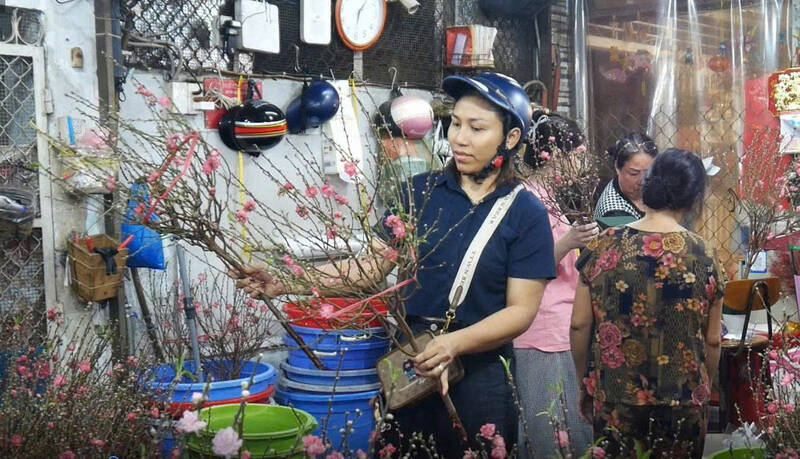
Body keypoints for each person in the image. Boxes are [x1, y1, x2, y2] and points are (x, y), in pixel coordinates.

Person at [232, 72, 555, 456]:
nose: (460, 138)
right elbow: (369, 265)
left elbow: (521, 310)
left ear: (511, 138)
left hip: (480, 372)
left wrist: (455, 342)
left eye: (477, 127)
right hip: (411, 357)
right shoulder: (418, 193)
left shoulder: (525, 213)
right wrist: (286, 281)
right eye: (455, 123)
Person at [571, 149, 724, 458]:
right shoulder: (704, 254)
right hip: (683, 401)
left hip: (615, 396)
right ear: (694, 196)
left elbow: (579, 325)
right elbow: (713, 339)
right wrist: (701, 388)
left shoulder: (603, 244)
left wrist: (585, 383)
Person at [513, 109, 595, 458]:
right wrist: (569, 242)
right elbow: (523, 269)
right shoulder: (528, 200)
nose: (584, 164)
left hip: (559, 328)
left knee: (564, 424)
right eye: (579, 156)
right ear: (555, 156)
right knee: (546, 429)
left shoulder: (546, 199)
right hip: (540, 331)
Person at [593, 132, 659, 222]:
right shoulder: (614, 215)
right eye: (634, 173)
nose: (643, 181)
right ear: (617, 168)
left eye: (649, 172)